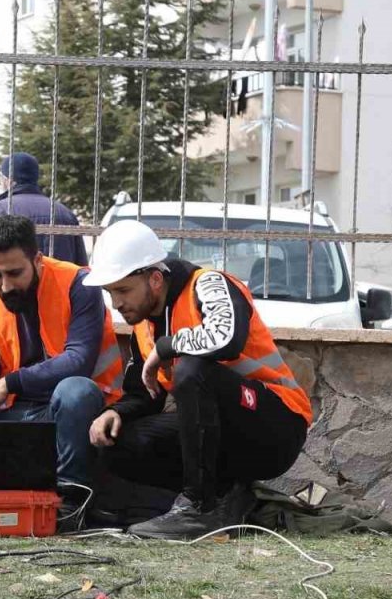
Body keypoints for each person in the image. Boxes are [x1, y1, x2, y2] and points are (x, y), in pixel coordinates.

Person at [82, 220, 312, 539]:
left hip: (277, 427)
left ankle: (199, 508)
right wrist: (115, 413)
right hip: (226, 438)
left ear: (155, 278)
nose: (117, 304)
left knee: (193, 370)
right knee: (119, 443)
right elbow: (146, 394)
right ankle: (224, 498)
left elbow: (226, 338)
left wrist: (166, 347)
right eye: (110, 293)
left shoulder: (208, 285)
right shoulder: (143, 325)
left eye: (123, 290)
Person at [0, 215, 123, 520]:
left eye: (15, 273)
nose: (6, 285)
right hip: (17, 421)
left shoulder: (80, 285)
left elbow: (78, 361)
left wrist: (9, 384)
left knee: (75, 391)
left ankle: (69, 503)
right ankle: (10, 490)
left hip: (75, 415)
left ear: (38, 260)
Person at [0, 152, 86, 287]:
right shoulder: (63, 212)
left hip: (13, 296)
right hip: (60, 295)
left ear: (8, 180)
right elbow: (81, 266)